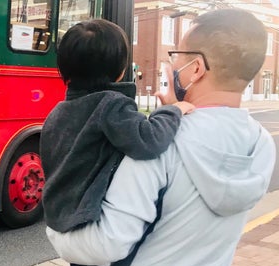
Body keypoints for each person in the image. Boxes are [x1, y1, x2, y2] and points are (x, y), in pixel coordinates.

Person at [46, 9, 276, 266]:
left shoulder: (162, 143)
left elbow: (106, 245)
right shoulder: (262, 143)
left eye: (177, 56)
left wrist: (54, 231)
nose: (173, 65)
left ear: (196, 68)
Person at [41, 19, 194, 235]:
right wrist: (173, 110)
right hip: (91, 218)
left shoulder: (58, 111)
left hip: (61, 219)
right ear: (120, 70)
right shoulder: (111, 104)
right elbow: (148, 140)